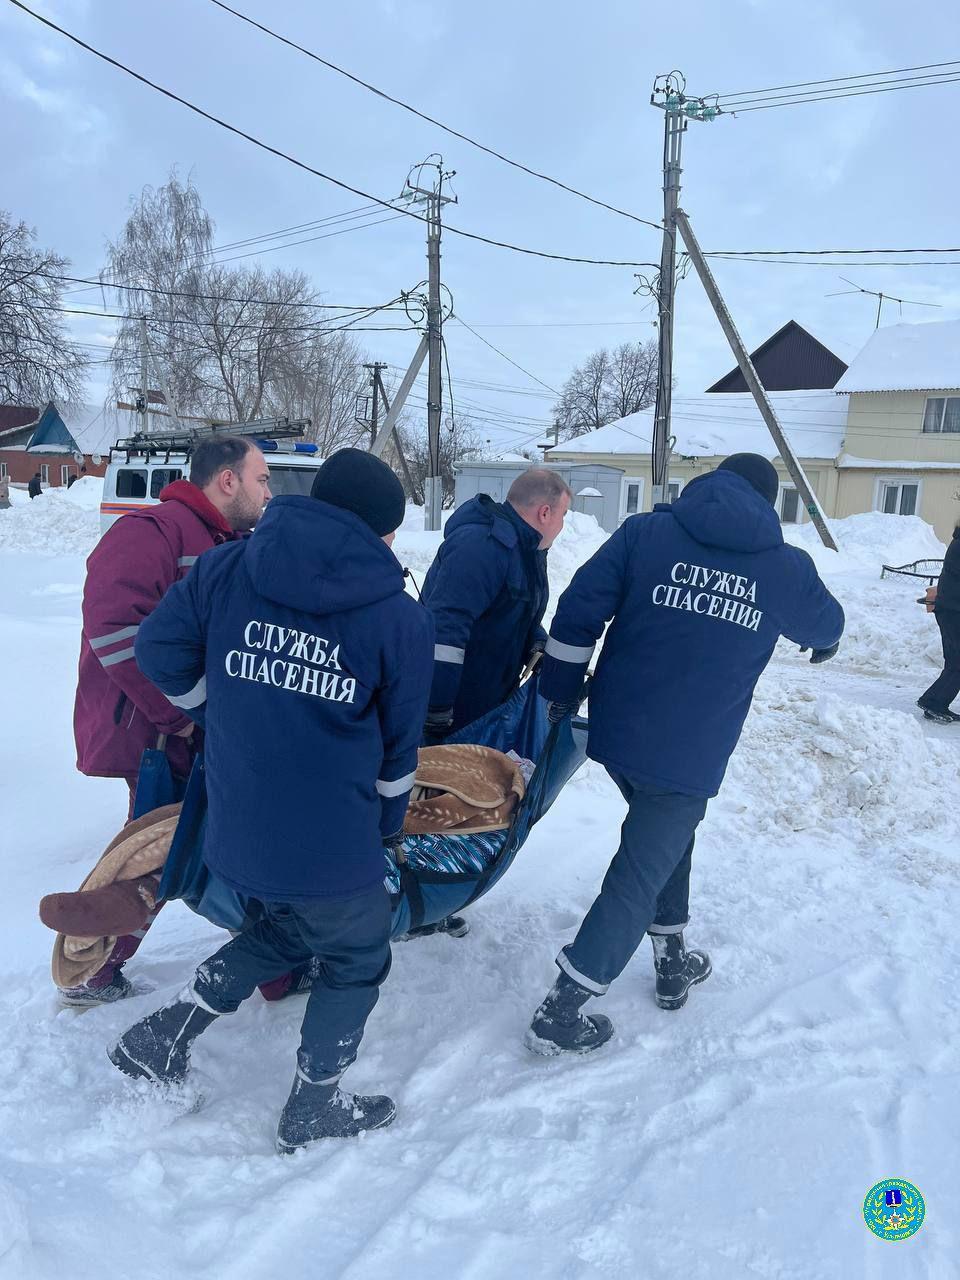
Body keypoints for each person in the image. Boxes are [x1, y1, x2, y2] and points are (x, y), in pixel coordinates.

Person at [109, 449, 433, 1151]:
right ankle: (314, 1106)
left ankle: (162, 1035)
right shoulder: (397, 620)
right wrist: (383, 832)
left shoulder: (229, 567)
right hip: (330, 837)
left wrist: (214, 712)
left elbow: (158, 649)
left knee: (291, 928)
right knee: (356, 955)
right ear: (380, 533)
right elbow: (398, 754)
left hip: (235, 827)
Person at [525, 453, 845, 1056]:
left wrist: (561, 693)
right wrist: (823, 645)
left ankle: (671, 959)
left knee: (666, 837)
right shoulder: (785, 569)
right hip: (689, 754)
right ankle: (562, 1011)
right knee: (640, 870)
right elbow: (826, 626)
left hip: (618, 734)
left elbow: (577, 611)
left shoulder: (647, 533)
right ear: (768, 502)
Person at [62, 436, 271, 1007]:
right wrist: (176, 716)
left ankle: (272, 962)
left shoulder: (226, 541)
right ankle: (89, 967)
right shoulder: (150, 533)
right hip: (156, 735)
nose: (268, 492)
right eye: (262, 479)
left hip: (200, 730)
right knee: (156, 853)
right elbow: (114, 629)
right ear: (227, 481)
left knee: (204, 843)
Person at [420, 468, 571, 740]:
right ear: (545, 513)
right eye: (563, 515)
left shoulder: (525, 549)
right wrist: (435, 708)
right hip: (450, 713)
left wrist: (534, 642)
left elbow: (510, 609)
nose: (562, 525)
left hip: (485, 706)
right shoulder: (482, 546)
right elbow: (444, 629)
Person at [917, 522, 960, 724]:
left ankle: (935, 703)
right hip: (953, 611)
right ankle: (933, 702)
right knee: (957, 662)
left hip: (950, 609)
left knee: (955, 661)